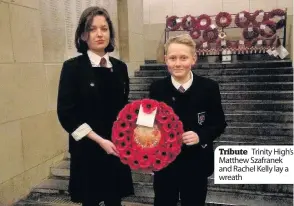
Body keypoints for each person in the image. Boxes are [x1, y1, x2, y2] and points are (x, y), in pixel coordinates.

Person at [57, 6, 134, 206]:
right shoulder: (72, 68)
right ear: (83, 35)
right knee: (89, 201)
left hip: (116, 148)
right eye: (92, 29)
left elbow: (124, 108)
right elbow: (66, 113)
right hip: (87, 148)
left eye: (104, 28)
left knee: (114, 200)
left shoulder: (120, 68)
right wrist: (99, 140)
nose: (99, 34)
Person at [149, 34, 227, 206]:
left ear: (193, 59)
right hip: (165, 163)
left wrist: (201, 136)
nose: (177, 63)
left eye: (183, 58)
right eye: (173, 58)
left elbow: (219, 123)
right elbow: (149, 123)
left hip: (196, 162)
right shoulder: (157, 88)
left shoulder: (209, 88)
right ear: (165, 60)